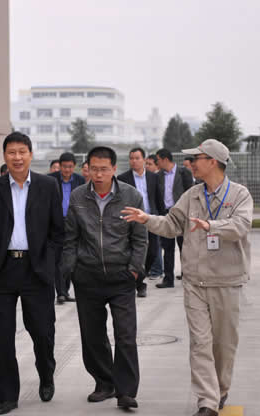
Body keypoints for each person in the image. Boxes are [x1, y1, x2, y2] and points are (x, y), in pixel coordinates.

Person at [122, 139, 253, 416]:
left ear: (213, 162)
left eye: (197, 158)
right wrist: (147, 219)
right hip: (195, 282)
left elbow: (240, 226)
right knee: (200, 343)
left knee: (224, 345)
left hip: (227, 282)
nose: (190, 163)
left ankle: (220, 389)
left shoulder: (239, 194)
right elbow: (171, 224)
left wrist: (211, 225)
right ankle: (207, 401)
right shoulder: (192, 195)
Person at [0, 132, 64, 415]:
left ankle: (46, 374)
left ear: (31, 154)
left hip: (36, 270)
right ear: (4, 156)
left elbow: (58, 232)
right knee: (0, 337)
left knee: (43, 332)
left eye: (22, 152)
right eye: (11, 152)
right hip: (0, 272)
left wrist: (49, 263)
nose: (17, 157)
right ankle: (7, 396)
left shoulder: (48, 186)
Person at [62, 146, 147, 410]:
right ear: (86, 169)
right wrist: (71, 270)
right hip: (87, 277)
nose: (98, 175)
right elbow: (70, 238)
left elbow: (140, 239)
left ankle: (126, 391)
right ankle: (104, 383)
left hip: (121, 277)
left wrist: (134, 270)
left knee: (125, 335)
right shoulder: (78, 197)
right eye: (94, 169)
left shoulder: (131, 196)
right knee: (93, 335)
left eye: (104, 169)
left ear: (113, 169)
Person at [117, 147, 163, 297]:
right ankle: (140, 284)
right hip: (133, 220)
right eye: (131, 158)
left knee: (153, 252)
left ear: (144, 159)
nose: (134, 161)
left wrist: (162, 217)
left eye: (137, 158)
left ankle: (141, 276)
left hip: (150, 219)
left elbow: (158, 198)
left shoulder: (153, 177)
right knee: (135, 252)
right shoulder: (123, 178)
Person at [48, 152, 85, 304]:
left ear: (74, 166)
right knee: (58, 258)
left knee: (70, 258)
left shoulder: (80, 180)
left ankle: (65, 291)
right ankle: (60, 292)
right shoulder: (51, 180)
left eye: (70, 167)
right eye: (64, 167)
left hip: (73, 223)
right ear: (60, 166)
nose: (67, 170)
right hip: (56, 223)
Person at [154, 148, 193, 287]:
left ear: (165, 159)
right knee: (167, 248)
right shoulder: (158, 176)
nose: (157, 163)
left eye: (158, 160)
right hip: (166, 215)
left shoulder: (184, 173)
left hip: (181, 214)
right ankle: (168, 279)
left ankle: (187, 276)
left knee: (184, 247)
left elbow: (190, 193)